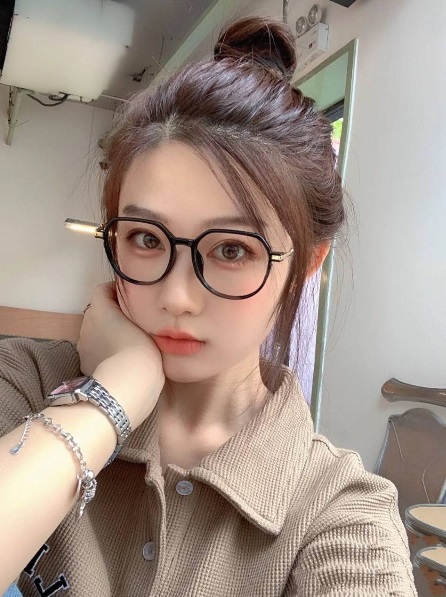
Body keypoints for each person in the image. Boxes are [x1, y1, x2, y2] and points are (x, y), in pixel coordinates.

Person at [0, 16, 417, 597]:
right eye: (146, 239)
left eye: (231, 249)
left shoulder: (339, 513)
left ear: (307, 262)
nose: (175, 296)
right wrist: (116, 392)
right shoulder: (24, 384)